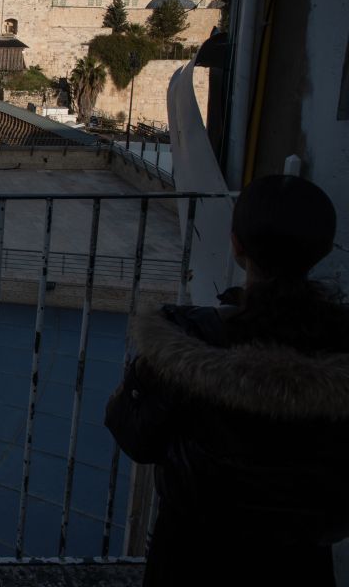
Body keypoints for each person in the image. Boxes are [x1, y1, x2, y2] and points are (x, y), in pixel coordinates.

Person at [105, 174, 349, 585]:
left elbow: (135, 436)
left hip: (191, 557)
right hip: (299, 566)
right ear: (323, 250)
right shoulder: (339, 350)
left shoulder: (187, 340)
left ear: (237, 245)